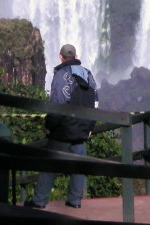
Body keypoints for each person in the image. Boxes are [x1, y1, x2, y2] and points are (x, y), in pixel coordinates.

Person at [25, 43, 99, 209]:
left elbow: (57, 104)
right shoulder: (88, 74)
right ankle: (75, 201)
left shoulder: (61, 75)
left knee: (49, 165)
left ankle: (39, 201)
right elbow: (95, 102)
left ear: (61, 57)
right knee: (79, 167)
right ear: (76, 56)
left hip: (63, 130)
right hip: (82, 129)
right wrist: (90, 127)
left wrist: (49, 125)